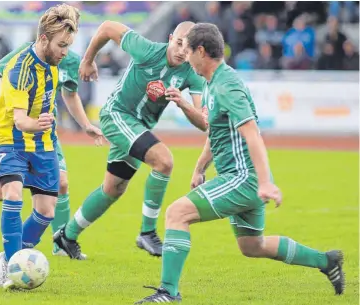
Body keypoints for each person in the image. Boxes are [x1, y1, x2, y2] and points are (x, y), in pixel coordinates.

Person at [134, 23, 345, 303]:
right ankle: (326, 260)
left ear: (201, 51)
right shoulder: (213, 82)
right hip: (243, 178)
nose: (185, 57)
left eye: (188, 51)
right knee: (252, 245)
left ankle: (168, 293)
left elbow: (252, 132)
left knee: (176, 213)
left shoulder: (226, 85)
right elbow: (217, 130)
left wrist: (265, 181)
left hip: (243, 178)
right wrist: (200, 167)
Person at [0, 4, 79, 290]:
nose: (65, 52)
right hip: (11, 138)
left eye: (68, 46)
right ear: (44, 39)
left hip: (42, 142)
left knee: (46, 209)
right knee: (12, 191)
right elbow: (21, 121)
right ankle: (11, 265)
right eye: (62, 45)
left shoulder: (55, 63)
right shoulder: (20, 66)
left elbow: (66, 96)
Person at [53, 20, 207, 260]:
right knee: (164, 161)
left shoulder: (192, 73)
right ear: (170, 38)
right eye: (178, 44)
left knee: (112, 189)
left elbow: (203, 122)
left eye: (187, 49)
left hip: (138, 128)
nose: (181, 52)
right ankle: (147, 233)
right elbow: (106, 27)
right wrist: (88, 59)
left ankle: (67, 236)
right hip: (117, 115)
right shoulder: (145, 49)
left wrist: (184, 104)